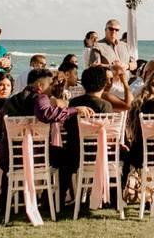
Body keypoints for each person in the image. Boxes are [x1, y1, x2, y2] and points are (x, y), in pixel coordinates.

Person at [0, 68, 95, 208]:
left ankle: (3, 204)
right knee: (69, 158)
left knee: (13, 161)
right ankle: (53, 201)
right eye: (50, 84)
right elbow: (46, 113)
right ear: (40, 86)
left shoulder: (11, 100)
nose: (52, 87)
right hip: (33, 157)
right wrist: (75, 110)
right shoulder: (40, 97)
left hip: (7, 157)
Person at [59, 66, 114, 204]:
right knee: (121, 157)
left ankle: (59, 198)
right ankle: (113, 197)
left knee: (64, 160)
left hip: (74, 153)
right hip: (99, 155)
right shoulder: (105, 106)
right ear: (104, 83)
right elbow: (109, 134)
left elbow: (67, 126)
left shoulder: (74, 103)